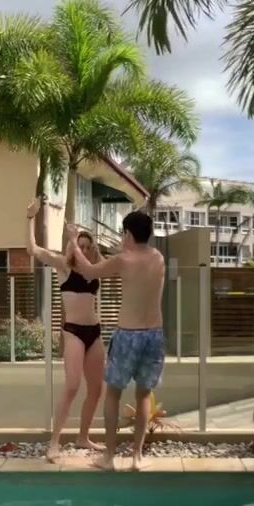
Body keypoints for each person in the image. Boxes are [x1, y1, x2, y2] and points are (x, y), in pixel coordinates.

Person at [69, 209, 165, 470]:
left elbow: (88, 271)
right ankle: (137, 457)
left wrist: (74, 241)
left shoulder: (124, 260)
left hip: (128, 335)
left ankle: (109, 457)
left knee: (112, 395)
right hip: (154, 335)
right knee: (143, 395)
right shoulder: (158, 258)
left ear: (129, 234)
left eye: (124, 233)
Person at [26, 200, 105, 461]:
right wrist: (30, 218)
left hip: (94, 332)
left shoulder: (95, 270)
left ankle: (83, 437)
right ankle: (54, 442)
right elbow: (32, 249)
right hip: (73, 332)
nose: (83, 249)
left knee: (96, 388)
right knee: (72, 386)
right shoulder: (63, 266)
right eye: (80, 245)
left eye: (87, 246)